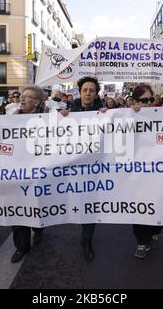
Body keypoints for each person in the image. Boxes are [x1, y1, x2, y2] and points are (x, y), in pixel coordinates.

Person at [61, 76, 106, 262]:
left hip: (95, 168)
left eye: (92, 90)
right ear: (79, 92)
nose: (88, 93)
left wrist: (108, 115)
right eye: (85, 90)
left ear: (96, 94)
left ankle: (87, 239)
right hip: (73, 168)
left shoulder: (104, 111)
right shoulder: (68, 110)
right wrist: (60, 118)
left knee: (91, 203)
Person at [10, 85, 46, 263]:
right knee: (18, 208)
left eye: (28, 97)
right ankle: (21, 247)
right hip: (17, 172)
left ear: (38, 102)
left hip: (39, 172)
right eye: (22, 96)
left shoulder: (48, 119)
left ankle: (39, 228)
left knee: (37, 205)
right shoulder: (10, 119)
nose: (22, 99)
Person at [130, 84, 163, 259]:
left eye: (151, 99)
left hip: (161, 174)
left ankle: (156, 229)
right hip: (138, 176)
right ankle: (142, 243)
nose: (149, 103)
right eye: (144, 100)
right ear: (135, 101)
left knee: (160, 208)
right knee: (140, 209)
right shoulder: (127, 117)